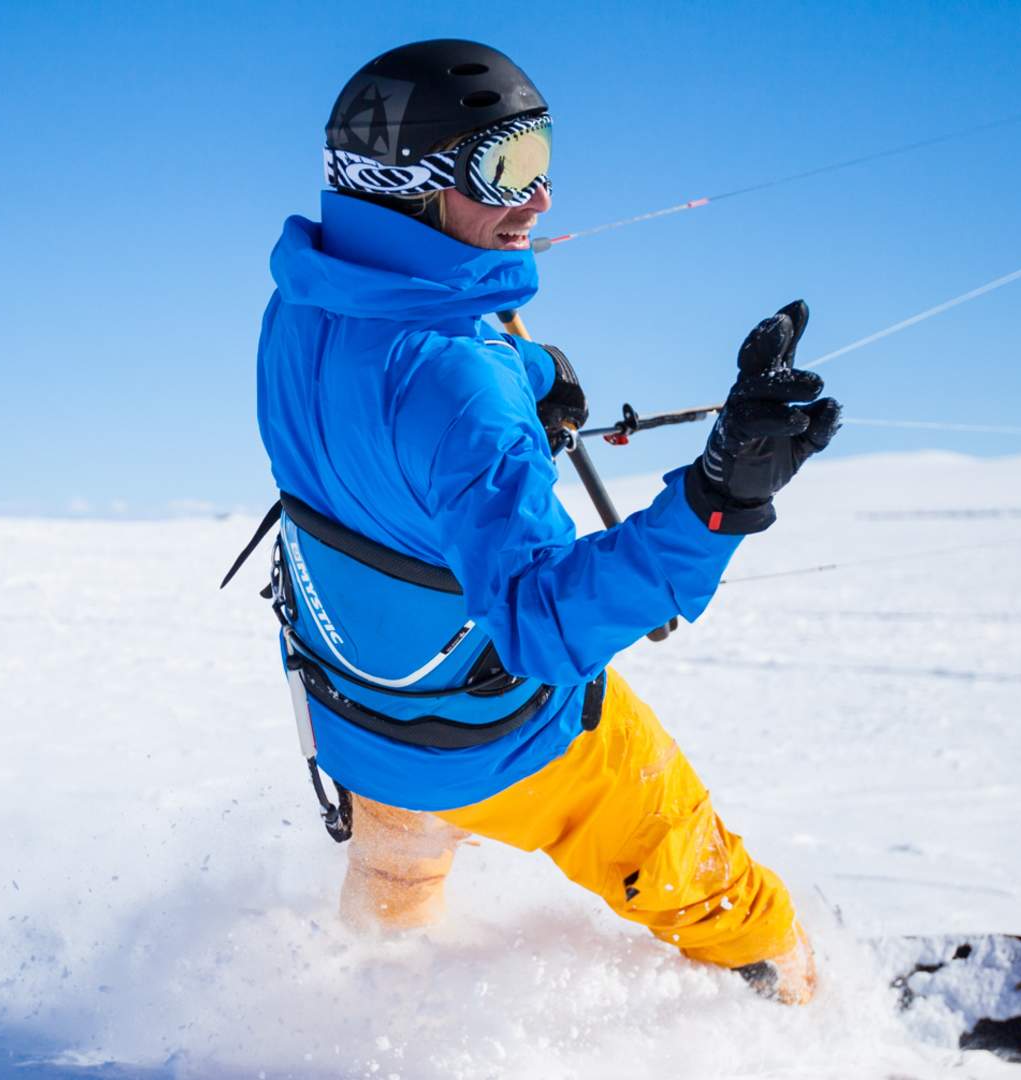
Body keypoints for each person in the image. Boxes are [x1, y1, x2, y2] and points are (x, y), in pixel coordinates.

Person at [244, 39, 841, 1004]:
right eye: (506, 168)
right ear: (412, 185)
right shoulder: (460, 386)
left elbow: (385, 390)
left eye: (543, 156)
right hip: (503, 742)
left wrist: (530, 374)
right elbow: (540, 625)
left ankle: (362, 1004)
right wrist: (717, 500)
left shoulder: (297, 310)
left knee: (397, 882)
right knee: (677, 849)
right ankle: (800, 998)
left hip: (357, 723)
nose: (542, 196)